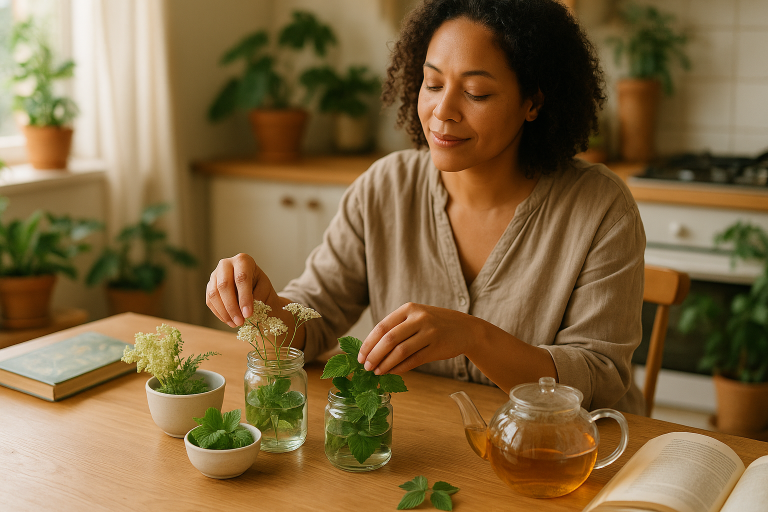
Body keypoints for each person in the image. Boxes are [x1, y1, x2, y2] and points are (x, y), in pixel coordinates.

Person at [206, 0, 646, 414]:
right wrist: (263, 306)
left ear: (533, 102)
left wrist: (473, 336)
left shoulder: (599, 207)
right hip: (428, 449)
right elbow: (313, 318)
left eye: (475, 93)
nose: (442, 111)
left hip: (566, 458)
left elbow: (600, 378)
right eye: (432, 84)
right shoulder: (385, 187)